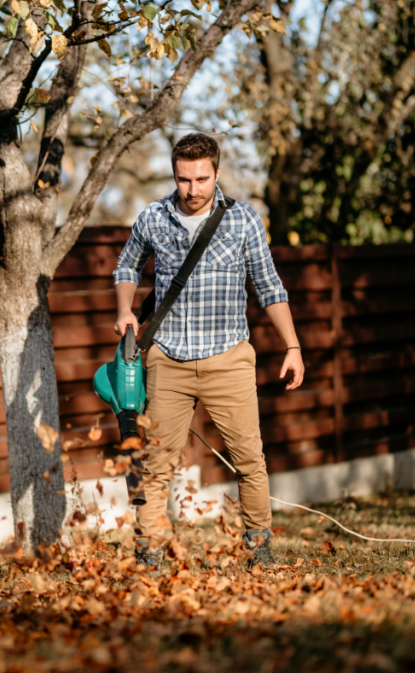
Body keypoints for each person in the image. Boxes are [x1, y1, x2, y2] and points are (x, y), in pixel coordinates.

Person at [112, 133, 304, 571]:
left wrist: (291, 346)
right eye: (184, 179)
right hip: (168, 359)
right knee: (153, 463)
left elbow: (270, 287)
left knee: (250, 461)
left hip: (229, 358)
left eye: (202, 179)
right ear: (174, 174)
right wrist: (125, 309)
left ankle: (259, 550)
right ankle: (149, 554)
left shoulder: (243, 221)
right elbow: (127, 265)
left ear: (216, 173)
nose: (192, 189)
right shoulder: (154, 217)